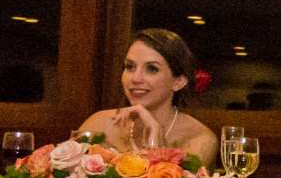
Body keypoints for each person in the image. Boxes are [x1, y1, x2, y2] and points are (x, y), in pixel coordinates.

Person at [74, 28, 220, 169]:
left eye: (152, 69)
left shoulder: (200, 140)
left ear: (178, 82)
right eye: (130, 67)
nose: (136, 78)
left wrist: (155, 139)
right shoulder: (98, 124)